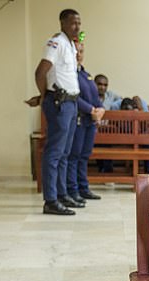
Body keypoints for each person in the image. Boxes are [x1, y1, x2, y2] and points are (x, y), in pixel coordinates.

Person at [34, 9, 85, 215]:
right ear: (63, 23)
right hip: (59, 102)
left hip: (71, 103)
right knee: (54, 153)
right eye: (73, 23)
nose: (77, 27)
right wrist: (45, 95)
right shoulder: (56, 42)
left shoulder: (70, 45)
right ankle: (51, 200)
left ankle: (63, 194)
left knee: (65, 153)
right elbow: (40, 72)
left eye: (79, 23)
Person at [66, 40, 105, 202]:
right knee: (74, 156)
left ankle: (83, 187)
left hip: (90, 122)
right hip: (79, 120)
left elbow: (95, 97)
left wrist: (101, 109)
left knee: (84, 156)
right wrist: (91, 110)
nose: (78, 55)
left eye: (81, 52)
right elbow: (74, 97)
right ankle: (72, 190)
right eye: (75, 52)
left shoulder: (85, 74)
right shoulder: (69, 74)